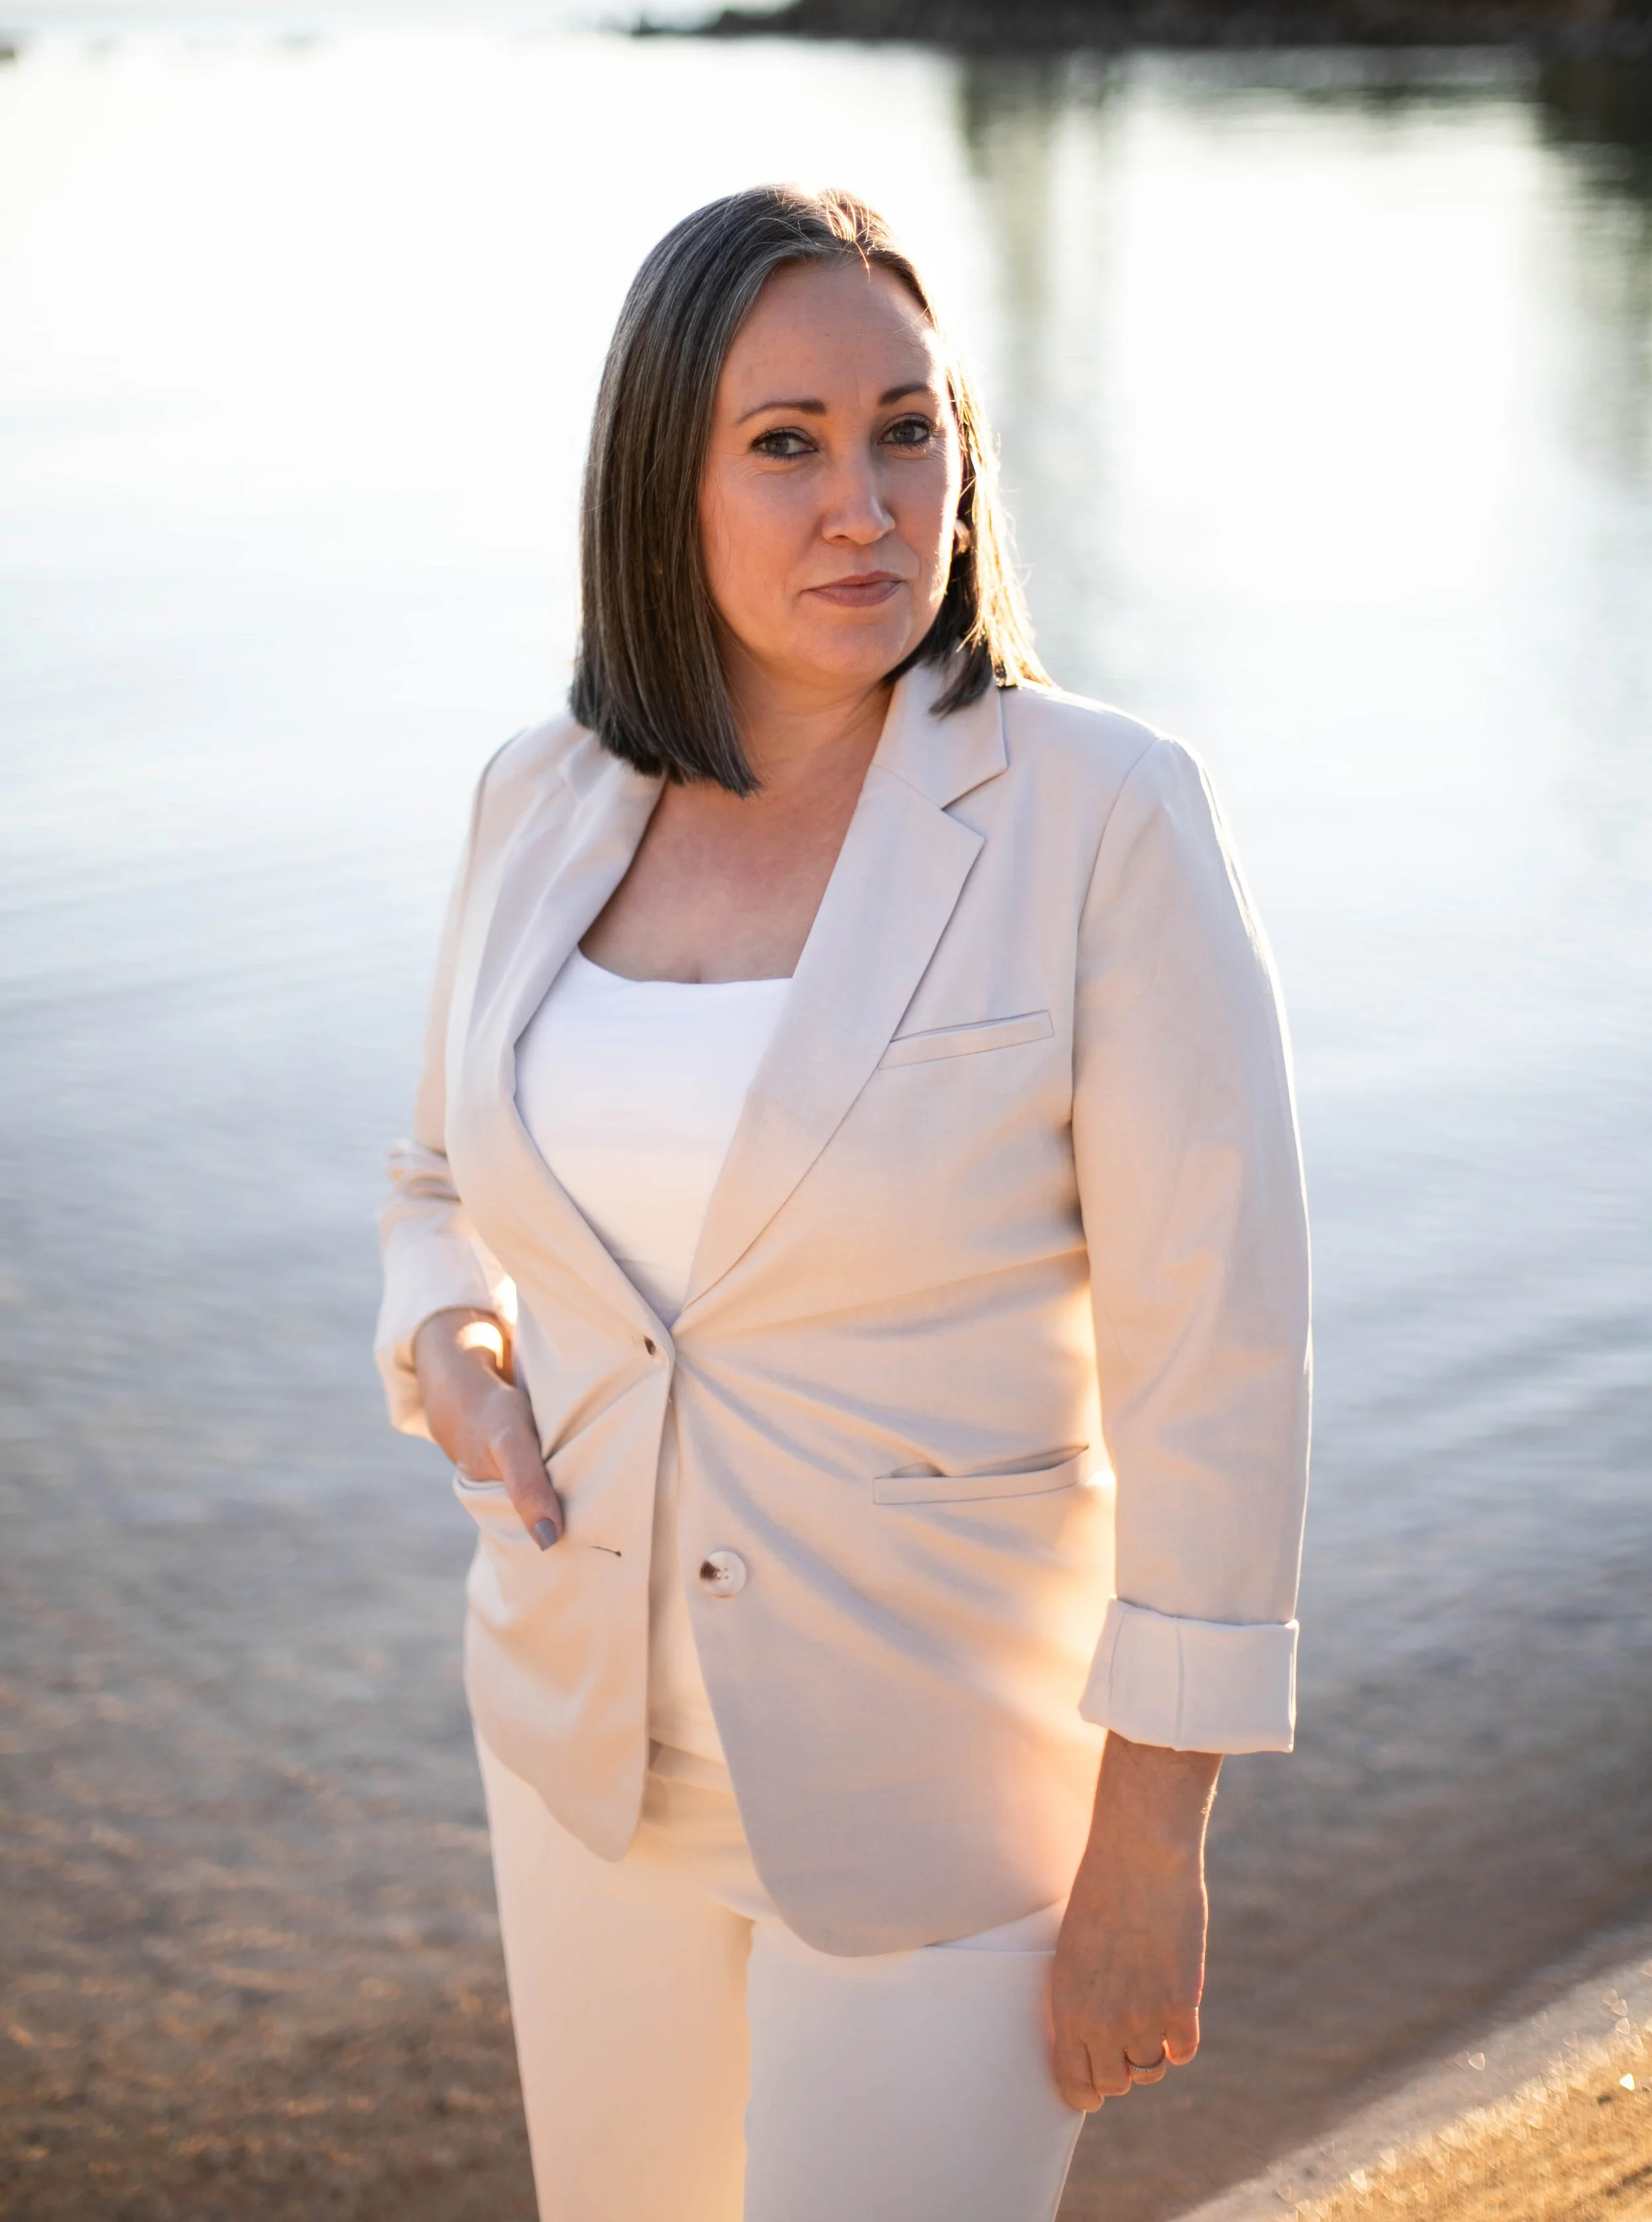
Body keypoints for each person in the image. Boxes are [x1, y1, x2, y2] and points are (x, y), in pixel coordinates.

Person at [375, 183, 1311, 2222]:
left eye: (907, 426)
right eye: (784, 443)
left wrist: (1150, 1850)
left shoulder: (1098, 811)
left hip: (949, 1800)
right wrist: (448, 1336)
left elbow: (1211, 1366)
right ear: (662, 486)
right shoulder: (536, 801)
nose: (864, 503)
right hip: (580, 1759)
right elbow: (438, 1174)